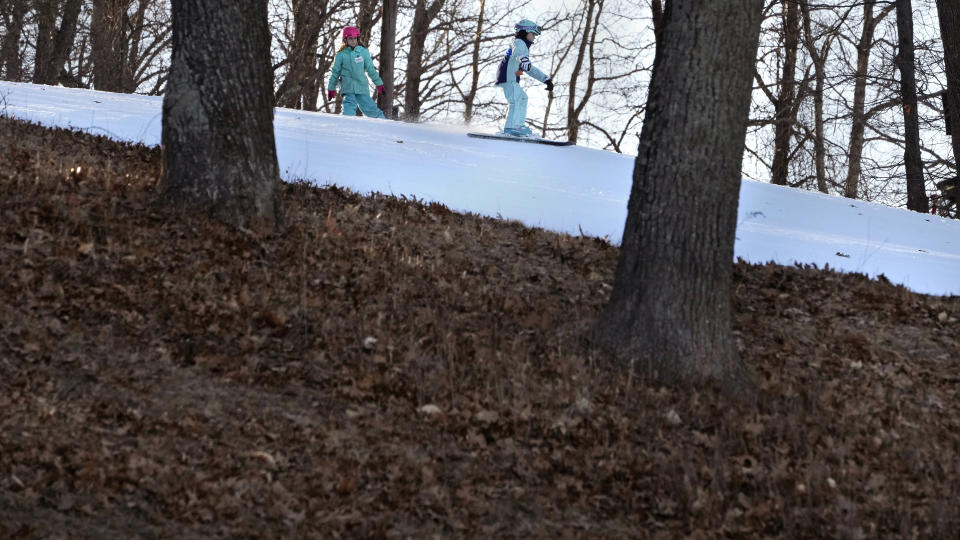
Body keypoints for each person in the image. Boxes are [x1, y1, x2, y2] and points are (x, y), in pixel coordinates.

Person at [495, 19, 554, 137]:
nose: (534, 37)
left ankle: (518, 126)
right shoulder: (518, 42)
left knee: (522, 98)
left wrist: (545, 79)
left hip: (511, 78)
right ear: (525, 32)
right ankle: (511, 127)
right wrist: (523, 58)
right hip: (508, 76)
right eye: (533, 34)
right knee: (516, 100)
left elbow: (529, 68)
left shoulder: (524, 49)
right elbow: (518, 53)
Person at [327, 26, 386, 119]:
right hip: (348, 87)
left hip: (361, 87)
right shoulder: (341, 55)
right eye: (350, 38)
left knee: (370, 109)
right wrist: (331, 88)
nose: (353, 41)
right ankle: (346, 126)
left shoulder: (363, 52)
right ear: (345, 39)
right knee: (349, 108)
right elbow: (335, 73)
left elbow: (371, 69)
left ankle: (384, 124)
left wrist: (379, 83)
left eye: (355, 38)